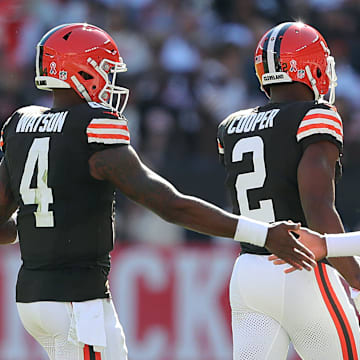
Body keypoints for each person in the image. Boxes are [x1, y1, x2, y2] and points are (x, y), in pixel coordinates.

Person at [0, 23, 317, 360]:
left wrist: (40, 226)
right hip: (76, 301)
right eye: (105, 70)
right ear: (82, 70)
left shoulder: (21, 124)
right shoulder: (92, 126)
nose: (110, 82)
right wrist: (262, 233)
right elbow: (170, 206)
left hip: (33, 300)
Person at [217, 21, 360, 359]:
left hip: (248, 274)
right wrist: (355, 276)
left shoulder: (231, 126)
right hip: (301, 267)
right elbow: (318, 208)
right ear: (308, 66)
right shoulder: (315, 115)